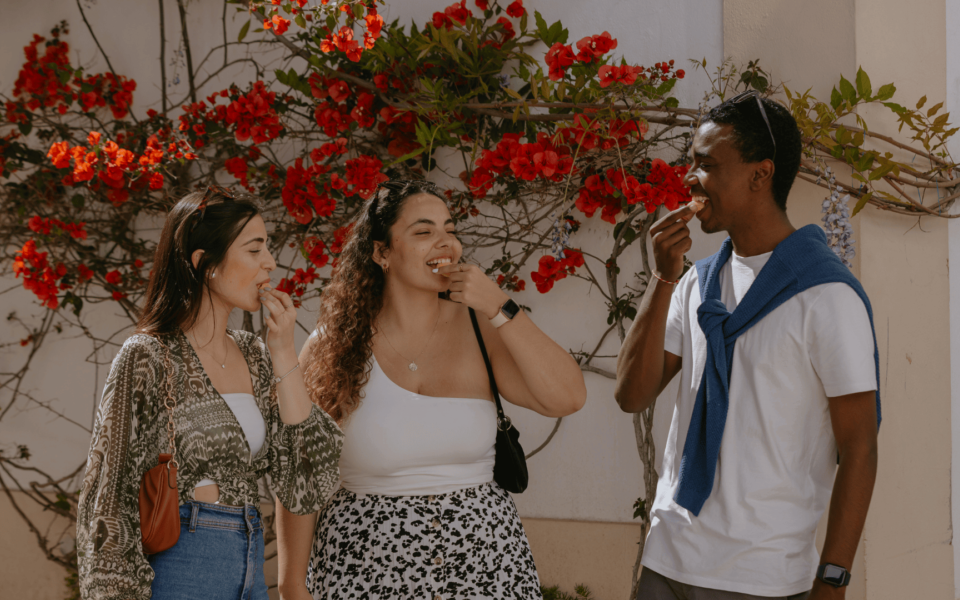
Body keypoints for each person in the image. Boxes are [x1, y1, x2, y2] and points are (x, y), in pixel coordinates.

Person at [616, 93, 880, 600]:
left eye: (706, 165)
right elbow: (632, 395)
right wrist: (661, 279)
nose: (690, 179)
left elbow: (860, 447)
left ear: (761, 175)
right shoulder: (697, 284)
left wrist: (833, 579)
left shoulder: (826, 295)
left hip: (761, 575)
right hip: (667, 559)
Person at [274, 179, 587, 600]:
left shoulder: (482, 327)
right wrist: (292, 585)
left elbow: (567, 397)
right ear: (382, 252)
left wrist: (499, 306)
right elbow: (302, 468)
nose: (447, 244)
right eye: (424, 232)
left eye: (451, 230)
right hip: (365, 566)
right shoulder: (335, 345)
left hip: (486, 565)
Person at [76, 186, 343, 600]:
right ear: (205, 264)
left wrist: (284, 349)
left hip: (251, 561)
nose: (270, 263)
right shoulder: (148, 356)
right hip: (182, 563)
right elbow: (109, 496)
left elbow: (304, 478)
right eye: (254, 250)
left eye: (267, 248)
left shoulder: (256, 354)